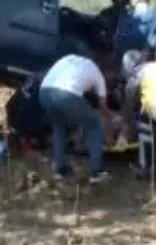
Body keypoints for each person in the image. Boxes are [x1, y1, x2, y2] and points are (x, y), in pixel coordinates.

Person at [38, 53, 114, 183]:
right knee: (94, 124)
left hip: (44, 91)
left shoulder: (69, 58)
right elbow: (102, 106)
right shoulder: (97, 72)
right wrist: (109, 128)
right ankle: (97, 172)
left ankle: (59, 168)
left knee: (59, 127)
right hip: (66, 94)